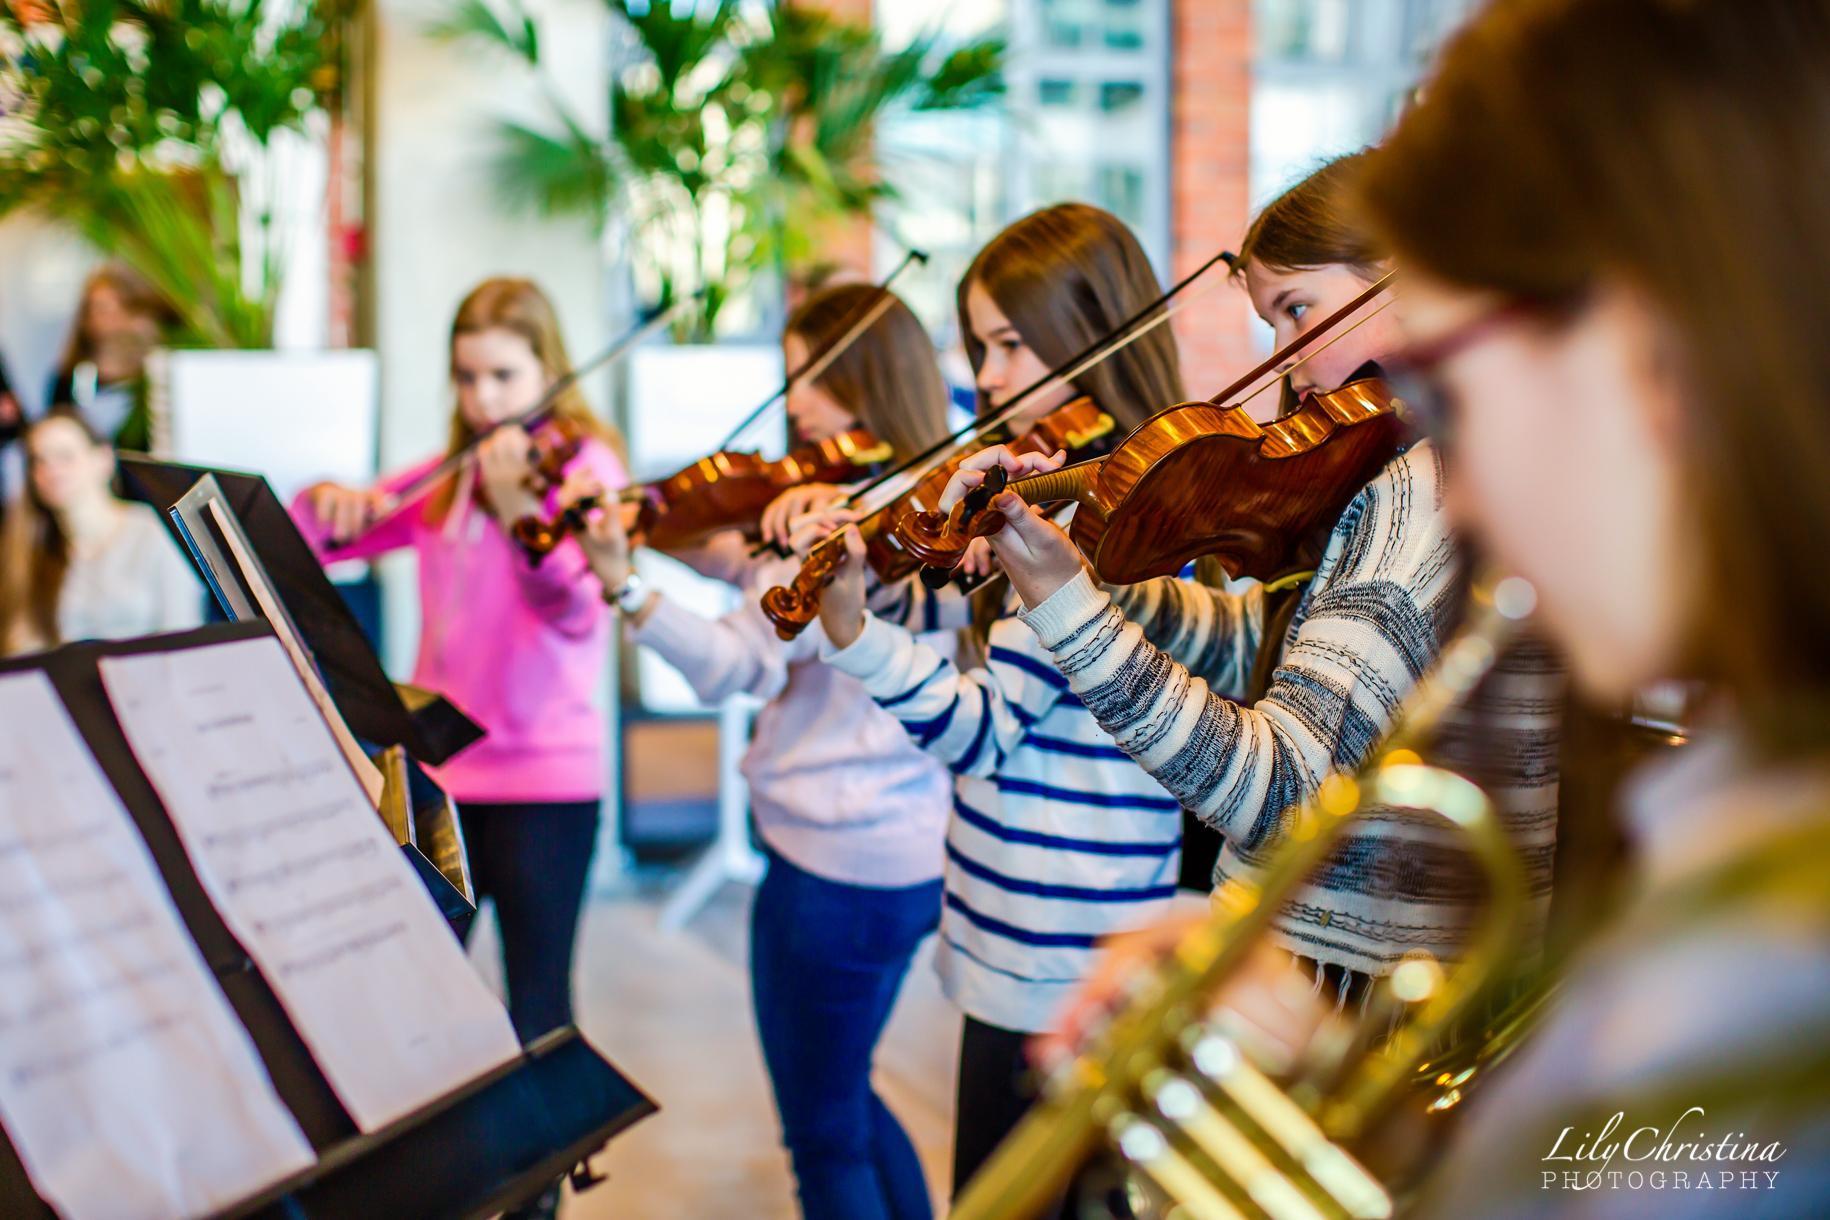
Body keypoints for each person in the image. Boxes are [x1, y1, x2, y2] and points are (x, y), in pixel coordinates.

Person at [1348, 0, 1830, 1212]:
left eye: (1446, 395)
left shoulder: (1766, 970)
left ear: (1645, 347)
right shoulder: (1744, 815)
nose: (1451, 496)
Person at [935, 157, 1563, 1052]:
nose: (1284, 360)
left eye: (1298, 310)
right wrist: (1079, 569)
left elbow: (1279, 797)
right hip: (1394, 982)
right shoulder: (1451, 465)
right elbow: (1262, 648)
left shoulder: (1424, 493)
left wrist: (1067, 605)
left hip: (1362, 997)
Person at [800, 203, 1192, 1210]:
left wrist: (852, 631)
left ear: (1095, 331)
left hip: (1063, 958)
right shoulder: (1052, 494)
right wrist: (890, 563)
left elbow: (978, 730)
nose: (988, 375)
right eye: (980, 345)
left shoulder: (1107, 521)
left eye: (1012, 343)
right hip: (1022, 937)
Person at [556, 283, 954, 1220]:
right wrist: (712, 544)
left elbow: (740, 662)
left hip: (829, 864)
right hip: (911, 850)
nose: (796, 403)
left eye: (810, 376)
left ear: (863, 377)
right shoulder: (935, 502)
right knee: (848, 1098)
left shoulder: (843, 527)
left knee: (821, 1134)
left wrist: (627, 589)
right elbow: (774, 595)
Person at [291, 277, 624, 1065]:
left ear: (549, 369)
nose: (482, 399)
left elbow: (578, 611)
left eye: (503, 376)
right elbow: (318, 539)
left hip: (547, 781)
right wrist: (327, 497)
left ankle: (537, 1194)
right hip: (442, 775)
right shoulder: (454, 474)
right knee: (420, 998)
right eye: (467, 377)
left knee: (538, 1004)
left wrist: (520, 517)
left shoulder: (586, 468)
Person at [0, 407, 203, 654]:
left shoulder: (156, 532)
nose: (51, 470)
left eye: (65, 456)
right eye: (39, 461)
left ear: (104, 459)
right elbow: (23, 650)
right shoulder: (30, 548)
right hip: (69, 687)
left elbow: (183, 637)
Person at [49, 263, 174, 451]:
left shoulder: (156, 374)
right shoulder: (71, 376)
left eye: (115, 308)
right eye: (96, 309)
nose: (105, 319)